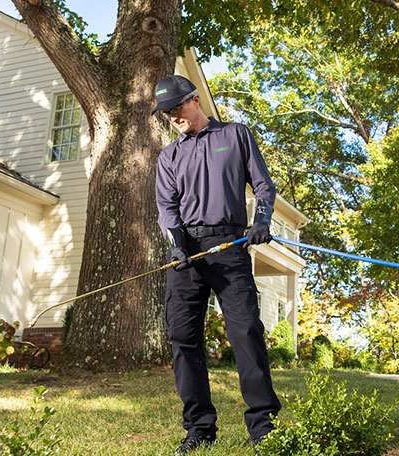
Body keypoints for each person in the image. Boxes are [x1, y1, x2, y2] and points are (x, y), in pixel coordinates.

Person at [152, 74, 281, 455]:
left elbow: (263, 185)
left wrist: (261, 222)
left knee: (246, 332)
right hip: (187, 253)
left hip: (229, 244)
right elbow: (167, 208)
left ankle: (263, 428)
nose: (173, 116)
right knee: (183, 337)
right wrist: (177, 246)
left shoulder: (235, 135)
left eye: (177, 107)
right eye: (166, 112)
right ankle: (199, 429)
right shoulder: (169, 156)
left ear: (195, 99)